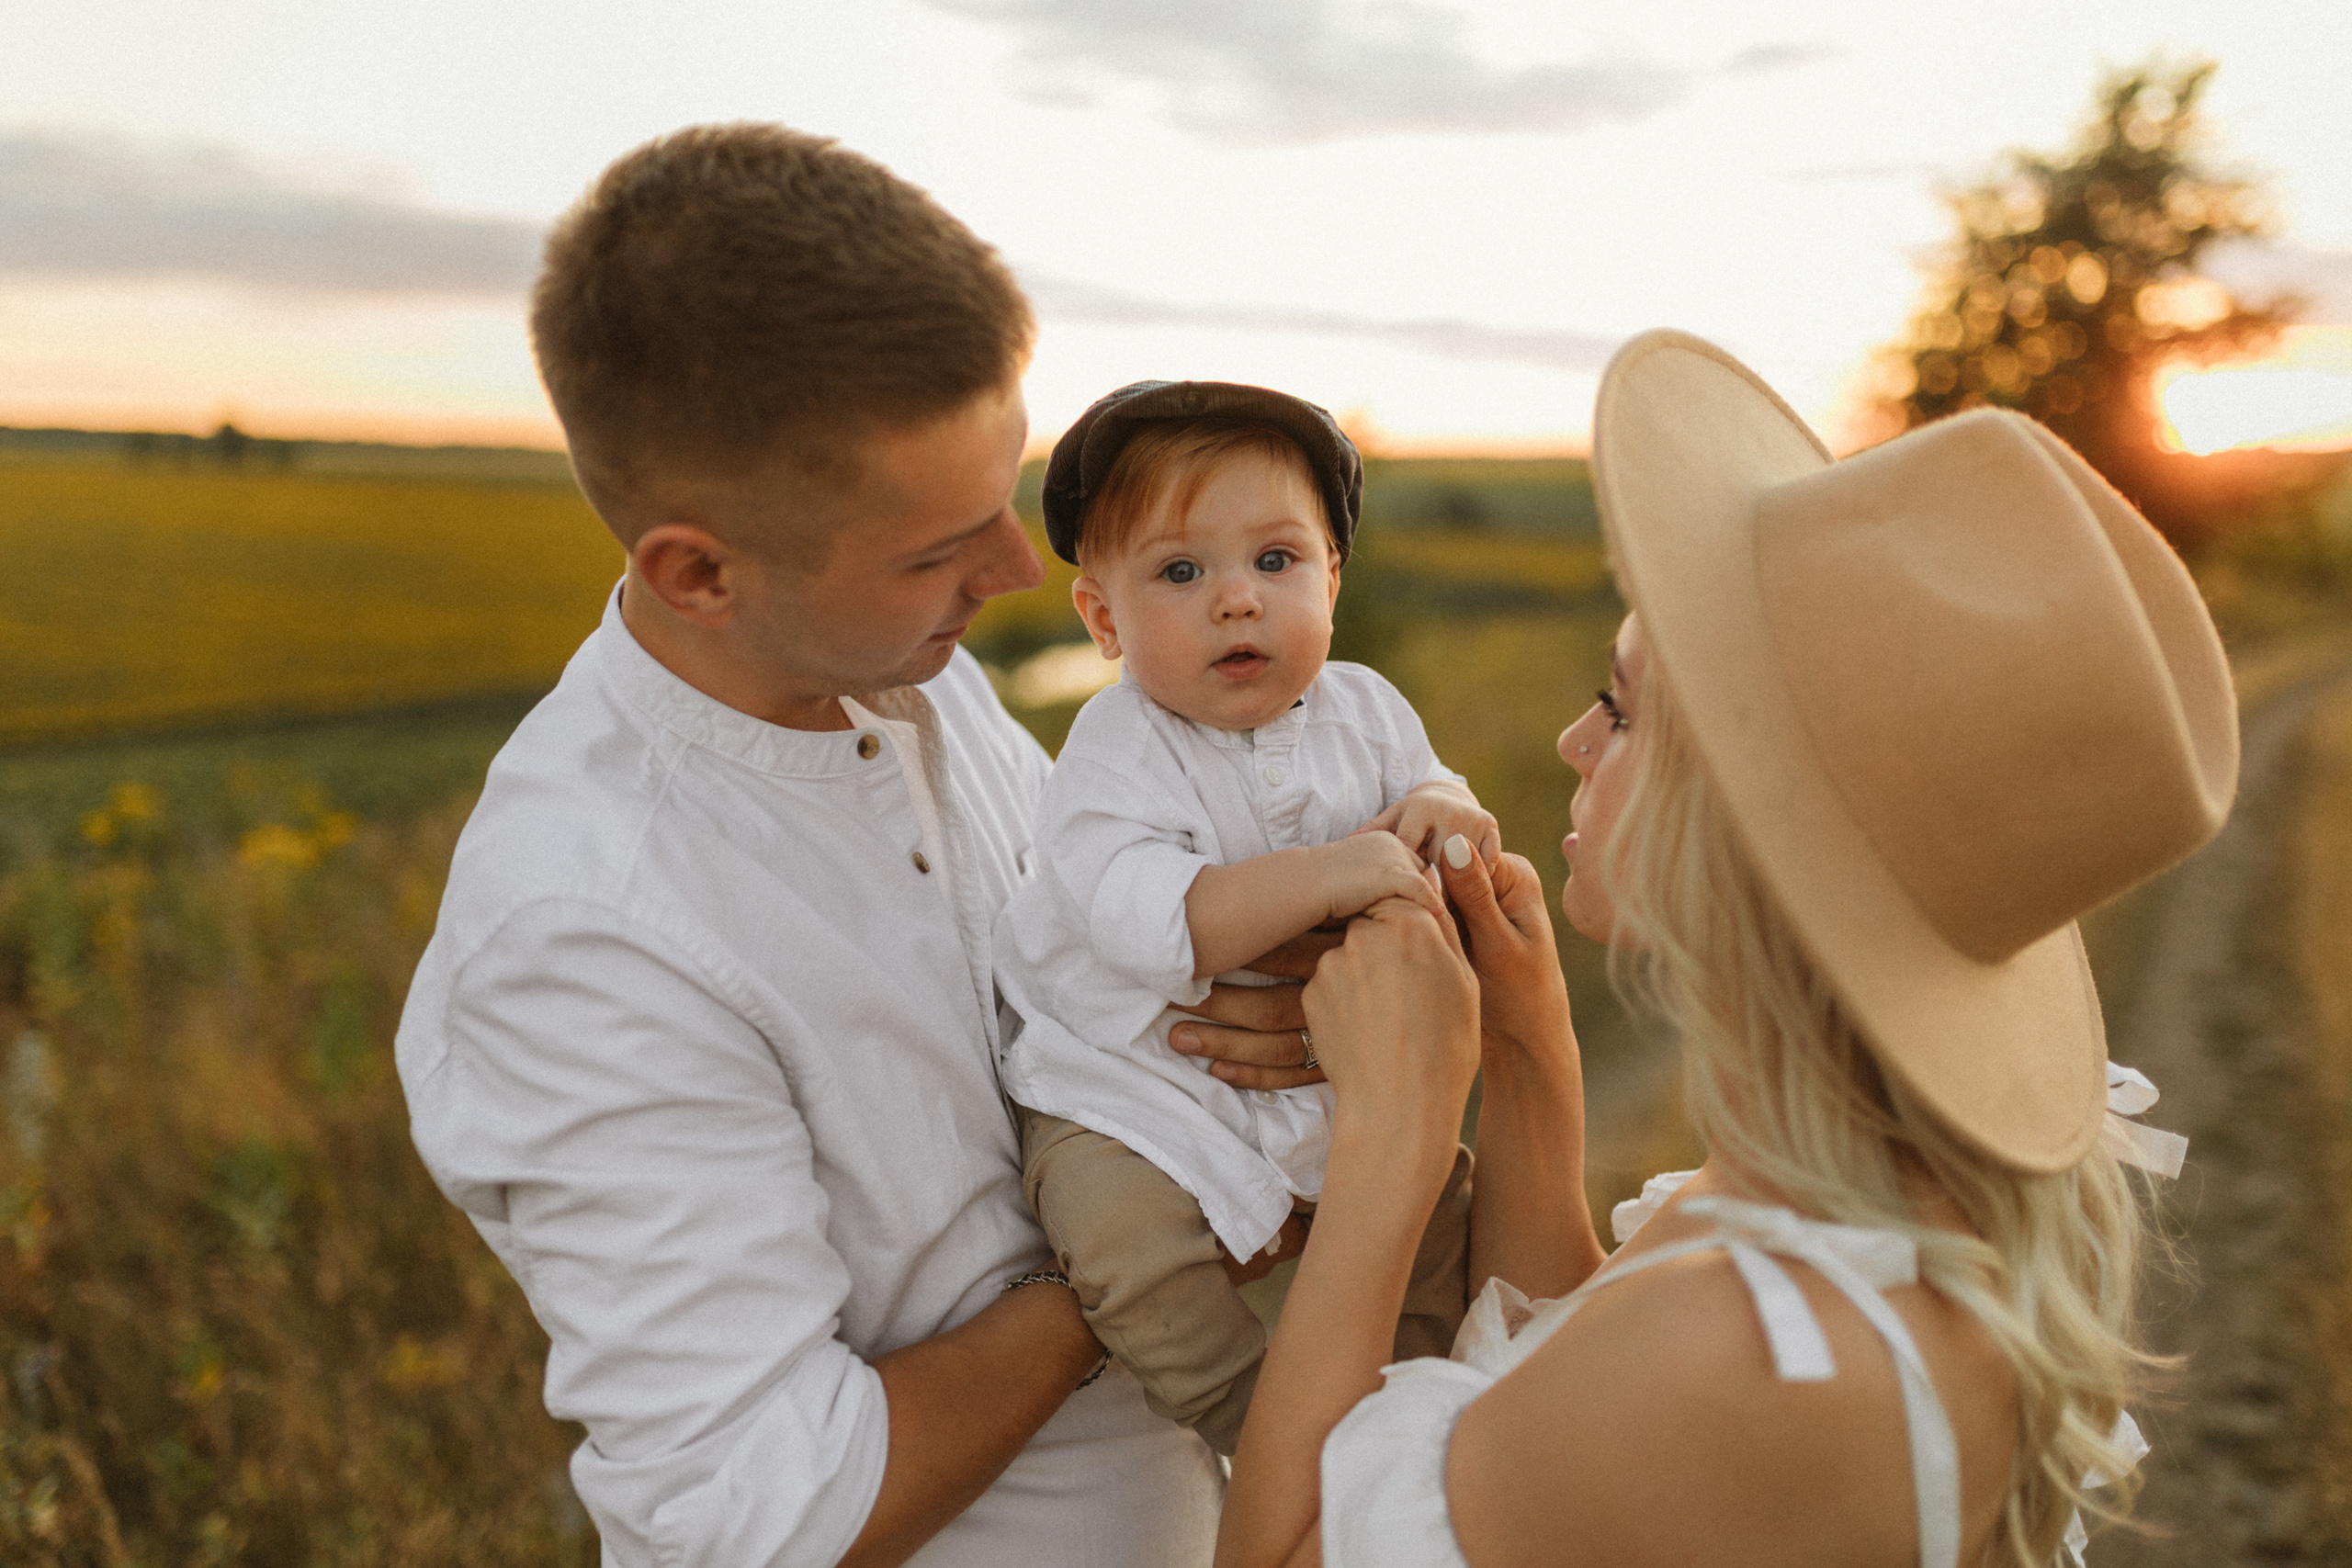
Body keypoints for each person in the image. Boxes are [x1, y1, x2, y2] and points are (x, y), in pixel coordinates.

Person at [392, 124, 1304, 1568]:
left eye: (1007, 492)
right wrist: (1149, 1246)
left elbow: (1068, 971)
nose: (1018, 571)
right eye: (940, 545)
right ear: (699, 571)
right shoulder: (587, 925)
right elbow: (756, 1504)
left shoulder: (905, 669)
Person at [1207, 330, 2233, 1568]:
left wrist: (1396, 1133)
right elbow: (1549, 1379)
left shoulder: (1737, 1352)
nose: (1575, 739)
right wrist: (1529, 1041)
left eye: (1627, 705)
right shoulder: (1863, 1192)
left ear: (1752, 827)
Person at [994, 381, 1498, 1455]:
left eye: (1275, 562)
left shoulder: (1365, 711)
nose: (1237, 600)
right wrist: (1330, 873)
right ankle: (1257, 1425)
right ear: (1102, 618)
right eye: (1180, 572)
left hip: (1326, 1073)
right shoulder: (1115, 749)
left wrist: (1444, 807)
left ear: (1332, 577)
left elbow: (1434, 793)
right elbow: (1148, 921)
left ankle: (1422, 1404)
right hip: (1132, 1081)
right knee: (1120, 1249)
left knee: (1436, 1198)